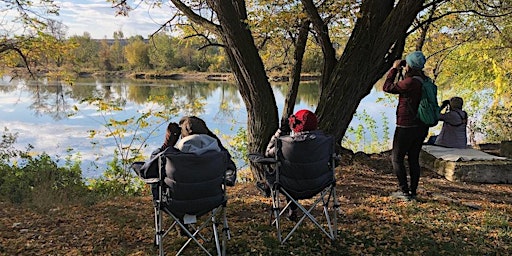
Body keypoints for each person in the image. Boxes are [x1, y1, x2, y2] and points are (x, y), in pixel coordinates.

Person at [143, 116, 237, 200]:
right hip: (210, 201)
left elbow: (148, 170)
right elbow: (230, 166)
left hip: (177, 203)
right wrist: (211, 135)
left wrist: (167, 145)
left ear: (183, 135)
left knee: (157, 176)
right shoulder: (219, 155)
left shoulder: (171, 156)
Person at [257, 109, 324, 220]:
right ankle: (292, 210)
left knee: (288, 175)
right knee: (294, 174)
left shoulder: (286, 144)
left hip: (290, 184)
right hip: (318, 184)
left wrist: (279, 132)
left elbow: (268, 153)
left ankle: (269, 188)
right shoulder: (324, 143)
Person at [383, 51, 430, 201]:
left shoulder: (410, 83)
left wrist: (394, 69)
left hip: (406, 126)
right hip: (421, 126)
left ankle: (405, 192)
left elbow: (387, 87)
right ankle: (413, 191)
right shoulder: (425, 81)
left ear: (410, 66)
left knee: (397, 158)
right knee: (413, 158)